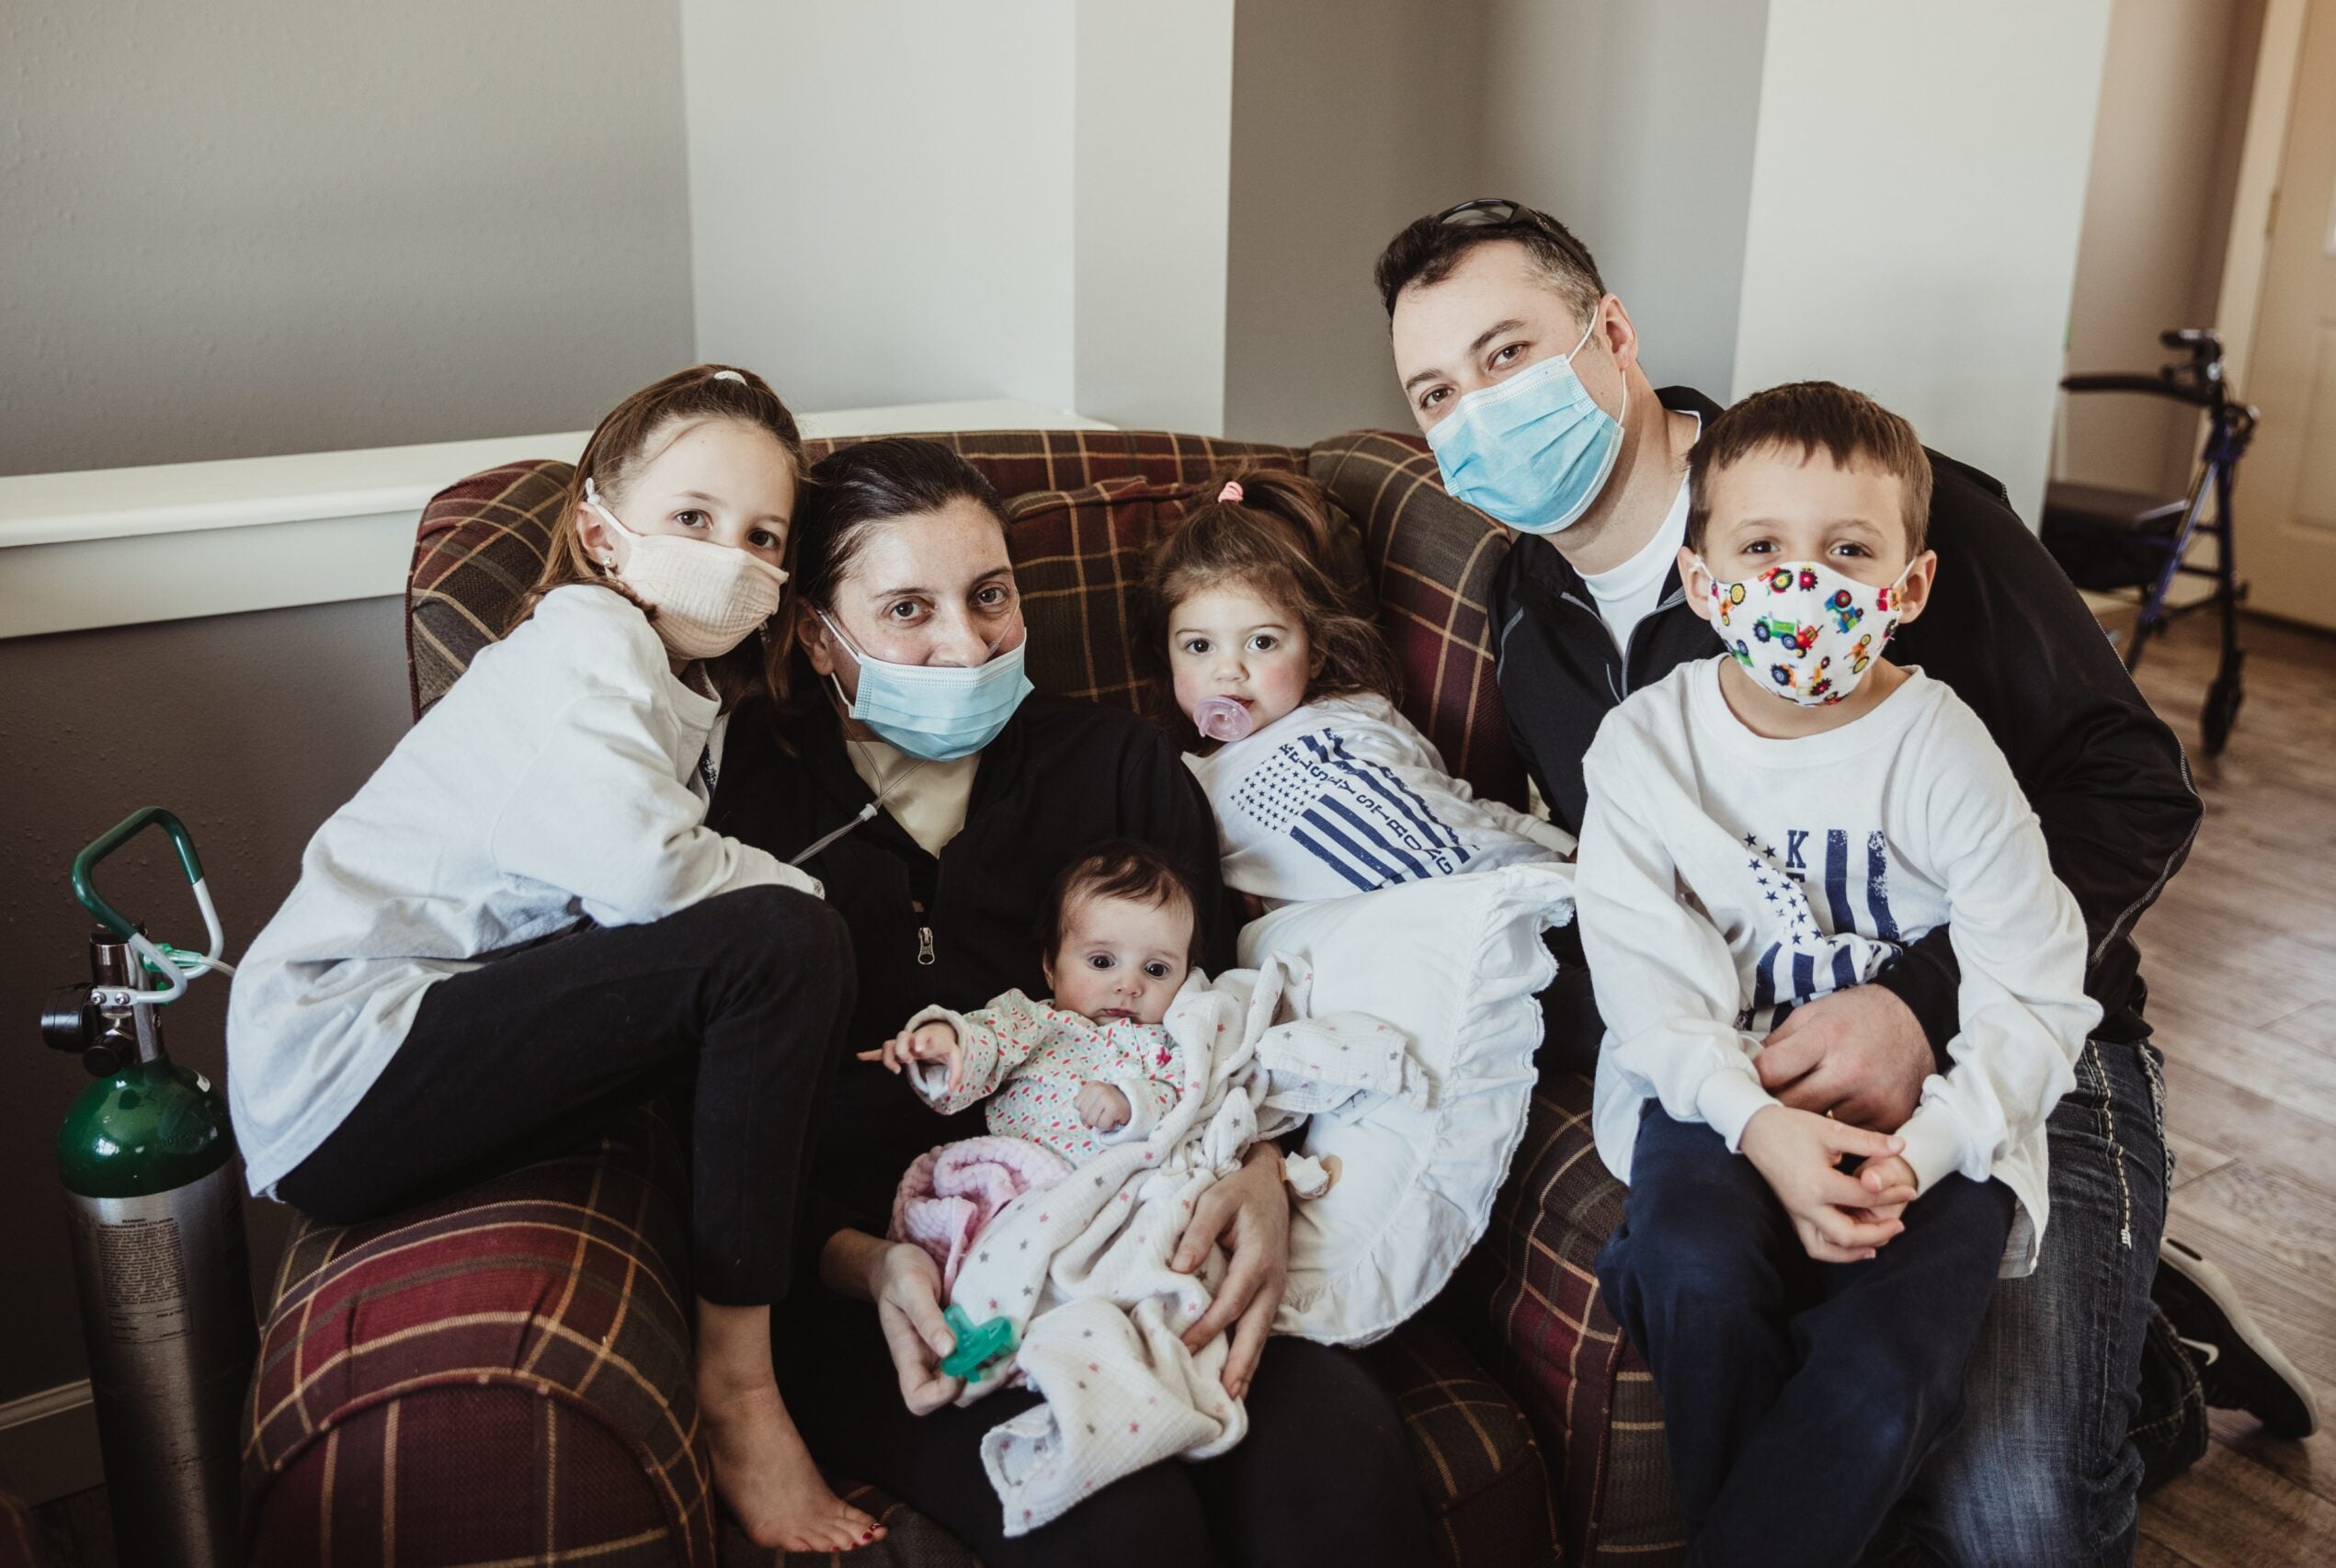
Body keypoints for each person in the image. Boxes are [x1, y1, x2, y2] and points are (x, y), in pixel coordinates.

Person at [1374, 198, 2317, 1564]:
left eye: (1508, 352)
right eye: (1438, 392)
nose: (1480, 411)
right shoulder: (1534, 626)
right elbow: (1657, 902)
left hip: (2028, 1030)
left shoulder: (1861, 519)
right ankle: (2121, 1314)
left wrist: (1915, 1002)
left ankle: (2145, 1357)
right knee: (1740, 1326)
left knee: (2018, 1519)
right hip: (1766, 1067)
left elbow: (2136, 785)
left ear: (1613, 335)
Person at [707, 437, 1435, 1568]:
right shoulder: (738, 802)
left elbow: (1224, 1018)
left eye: (989, 595)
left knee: (1339, 1473)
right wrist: (860, 1260)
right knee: (1124, 1526)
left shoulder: (1118, 768)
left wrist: (1258, 1177)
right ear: (817, 631)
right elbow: (708, 1123)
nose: (966, 641)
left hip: (1143, 1231)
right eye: (908, 607)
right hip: (896, 1281)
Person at [227, 366, 881, 1552]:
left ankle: (810, 1308)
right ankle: (739, 1392)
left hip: (413, 1052)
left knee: (760, 965)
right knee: (783, 942)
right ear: (599, 531)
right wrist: (797, 891)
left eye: (762, 534)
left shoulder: (686, 691)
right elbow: (642, 877)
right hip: (346, 1057)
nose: (729, 555)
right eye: (692, 519)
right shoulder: (584, 639)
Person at [1581, 381, 2102, 1566]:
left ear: (1906, 587)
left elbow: (2037, 983)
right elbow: (1649, 991)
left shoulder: (1944, 748)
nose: (1798, 582)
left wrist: (1917, 1155)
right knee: (1692, 1278)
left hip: (1930, 1124)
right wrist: (1756, 1126)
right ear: (1703, 580)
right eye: (1760, 547)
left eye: (1847, 550)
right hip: (1723, 1093)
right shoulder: (1645, 748)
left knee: (1880, 1381)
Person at [1142, 469, 1571, 908]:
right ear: (1168, 657)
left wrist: (1568, 851)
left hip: (1503, 878)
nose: (1229, 670)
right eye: (1199, 646)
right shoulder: (1185, 784)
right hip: (1385, 928)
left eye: (1262, 642)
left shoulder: (1361, 710)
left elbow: (1462, 801)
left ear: (1315, 652)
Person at [863, 840, 1203, 1162]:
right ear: (1050, 967)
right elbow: (986, 1047)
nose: (1129, 986)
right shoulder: (1028, 1021)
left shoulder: (1179, 1036)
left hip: (1134, 1180)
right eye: (1102, 962)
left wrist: (1132, 1103)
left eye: (1156, 969)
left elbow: (1190, 1098)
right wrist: (944, 1041)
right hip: (1028, 1178)